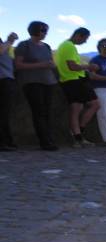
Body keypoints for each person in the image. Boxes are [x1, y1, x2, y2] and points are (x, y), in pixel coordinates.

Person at [14, 21, 58, 151]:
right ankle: (45, 141)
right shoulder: (24, 45)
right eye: (43, 30)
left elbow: (51, 63)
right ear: (35, 31)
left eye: (46, 30)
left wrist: (52, 66)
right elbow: (18, 65)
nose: (45, 33)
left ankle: (50, 139)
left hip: (48, 82)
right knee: (39, 112)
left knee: (47, 112)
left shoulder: (46, 46)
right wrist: (41, 65)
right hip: (32, 82)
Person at [55, 27, 100, 147]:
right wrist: (88, 67)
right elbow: (72, 66)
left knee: (76, 109)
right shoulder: (69, 46)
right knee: (95, 104)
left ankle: (77, 137)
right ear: (78, 35)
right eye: (84, 39)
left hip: (67, 81)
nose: (84, 42)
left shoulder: (63, 45)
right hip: (75, 81)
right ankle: (79, 132)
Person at [0, 31, 19, 151]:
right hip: (3, 80)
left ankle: (7, 141)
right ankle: (3, 143)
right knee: (3, 112)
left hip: (6, 79)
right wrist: (10, 41)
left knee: (4, 113)